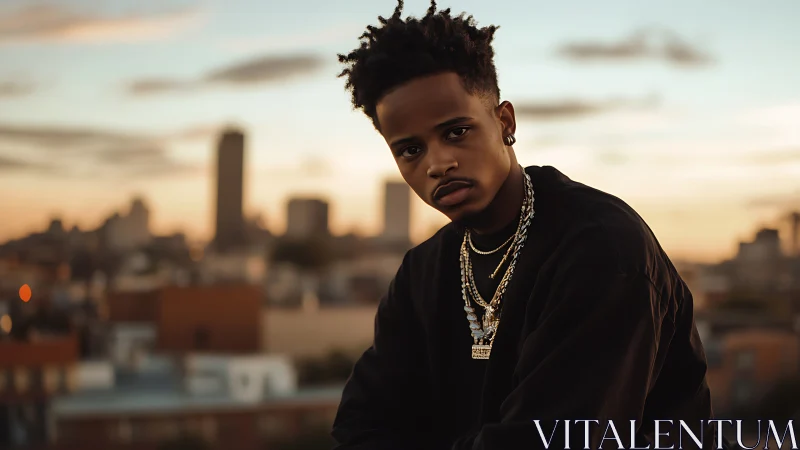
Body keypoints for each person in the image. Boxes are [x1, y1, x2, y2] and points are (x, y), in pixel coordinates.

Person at [331, 1, 725, 449]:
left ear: (504, 122)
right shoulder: (422, 271)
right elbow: (358, 429)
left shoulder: (604, 251)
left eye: (456, 132)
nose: (438, 163)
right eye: (410, 150)